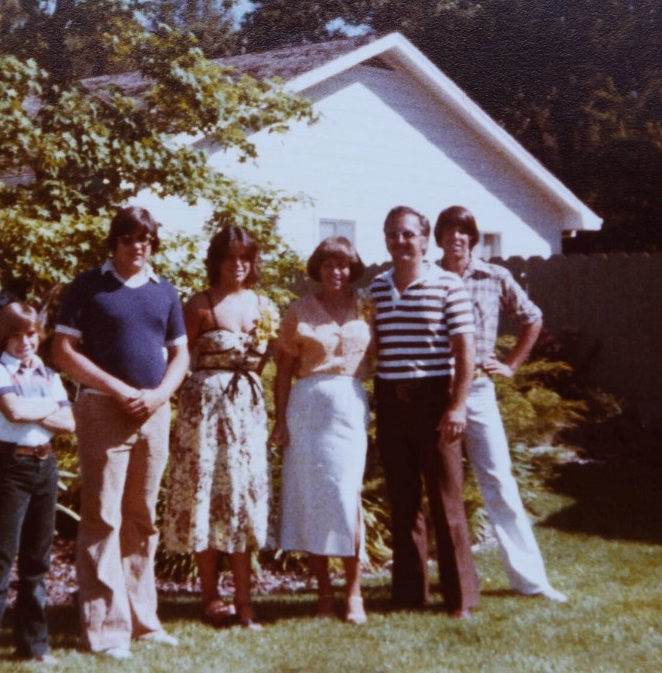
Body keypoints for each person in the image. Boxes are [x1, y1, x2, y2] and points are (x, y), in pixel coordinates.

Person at [52, 206, 189, 660]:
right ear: (115, 242)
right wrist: (117, 389)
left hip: (152, 415)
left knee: (140, 519)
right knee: (102, 519)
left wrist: (158, 396)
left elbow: (180, 356)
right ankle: (106, 631)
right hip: (102, 413)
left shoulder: (164, 292)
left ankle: (143, 622)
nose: (139, 246)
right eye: (130, 238)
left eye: (146, 239)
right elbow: (63, 351)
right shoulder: (89, 287)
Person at [435, 205, 567, 602]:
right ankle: (448, 584)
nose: (457, 238)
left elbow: (533, 318)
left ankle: (532, 581)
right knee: (441, 487)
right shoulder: (429, 277)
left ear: (472, 238)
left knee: (499, 482)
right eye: (449, 231)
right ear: (439, 237)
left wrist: (510, 365)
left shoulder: (494, 277)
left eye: (464, 232)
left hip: (476, 391)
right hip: (435, 392)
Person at [366, 205, 481, 618]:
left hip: (435, 400)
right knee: (403, 500)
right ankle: (409, 595)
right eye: (393, 234)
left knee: (446, 500)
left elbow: (465, 351)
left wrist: (457, 405)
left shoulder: (448, 285)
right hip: (391, 401)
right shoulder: (376, 290)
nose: (401, 242)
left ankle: (460, 598)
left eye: (408, 234)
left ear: (424, 239)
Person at [163, 226, 278, 630]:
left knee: (242, 501)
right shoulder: (199, 304)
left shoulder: (265, 305)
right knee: (205, 497)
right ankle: (211, 596)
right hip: (205, 413)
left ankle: (246, 601)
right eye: (230, 257)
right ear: (216, 262)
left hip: (245, 413)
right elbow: (177, 357)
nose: (238, 265)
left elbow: (264, 362)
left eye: (245, 257)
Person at [0, 302, 75, 673]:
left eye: (31, 334)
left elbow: (69, 422)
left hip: (46, 466)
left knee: (37, 562)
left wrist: (33, 405)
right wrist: (43, 407)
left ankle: (34, 647)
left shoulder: (48, 373)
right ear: (3, 337)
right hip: (14, 466)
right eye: (17, 334)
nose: (25, 342)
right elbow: (14, 412)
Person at [272, 236, 373, 625]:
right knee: (312, 500)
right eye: (329, 265)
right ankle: (324, 591)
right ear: (318, 268)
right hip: (307, 408)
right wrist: (280, 421)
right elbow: (282, 370)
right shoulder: (298, 310)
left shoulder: (367, 307)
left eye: (344, 265)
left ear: (352, 269)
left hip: (349, 405)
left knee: (346, 496)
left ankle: (354, 591)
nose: (337, 272)